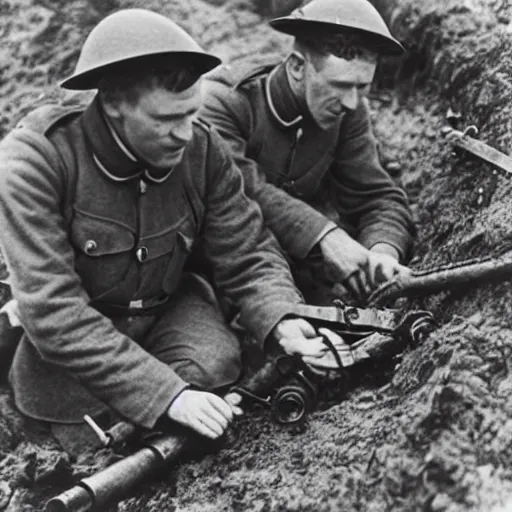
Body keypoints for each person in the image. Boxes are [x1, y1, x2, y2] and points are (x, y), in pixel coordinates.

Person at [0, 9, 345, 453]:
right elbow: (55, 313)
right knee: (90, 445)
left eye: (191, 114)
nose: (185, 135)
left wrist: (284, 319)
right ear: (112, 104)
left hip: (168, 311)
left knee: (215, 369)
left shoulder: (201, 148)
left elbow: (246, 251)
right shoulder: (37, 161)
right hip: (76, 353)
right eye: (166, 120)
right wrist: (166, 395)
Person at [200, 0, 416, 303]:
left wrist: (381, 253)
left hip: (293, 267)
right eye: (339, 85)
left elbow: (376, 196)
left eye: (362, 86)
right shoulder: (226, 102)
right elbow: (242, 192)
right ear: (298, 67)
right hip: (220, 268)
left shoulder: (348, 111)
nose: (352, 102)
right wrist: (325, 236)